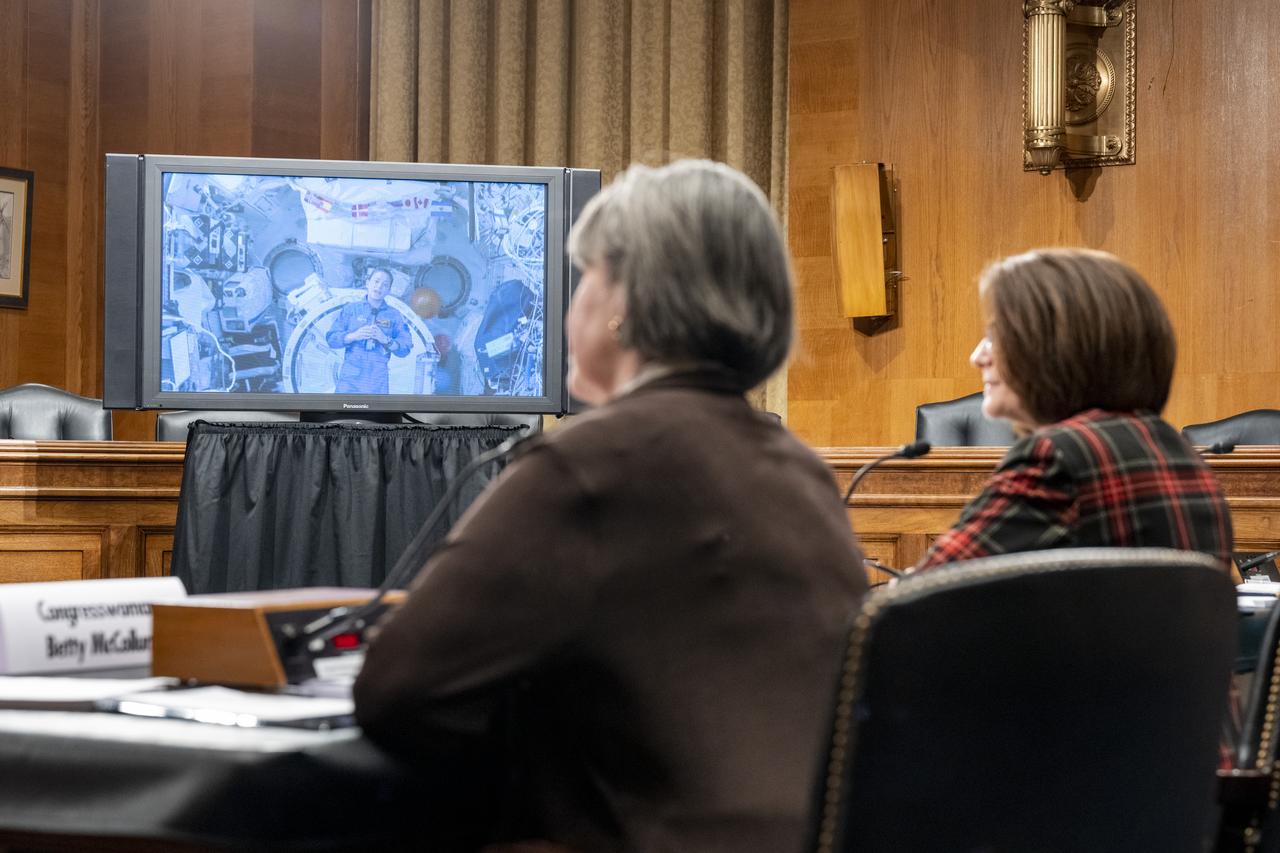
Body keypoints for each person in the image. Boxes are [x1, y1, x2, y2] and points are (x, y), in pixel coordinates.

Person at [354, 160, 868, 853]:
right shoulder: (801, 471)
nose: (572, 304)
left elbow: (395, 691)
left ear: (627, 301)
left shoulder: (589, 464)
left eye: (585, 275)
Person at [916, 248, 1232, 572]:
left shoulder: (1056, 458)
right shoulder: (1182, 456)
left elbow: (911, 604)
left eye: (995, 336)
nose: (977, 357)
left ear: (1055, 347)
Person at [325, 267, 412, 393]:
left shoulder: (394, 316)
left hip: (377, 381)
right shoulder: (351, 310)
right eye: (376, 281)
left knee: (376, 413)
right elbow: (331, 339)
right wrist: (353, 336)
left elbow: (405, 349)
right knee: (343, 411)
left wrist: (385, 340)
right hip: (349, 380)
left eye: (385, 285)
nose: (379, 287)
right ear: (367, 283)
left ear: (388, 290)